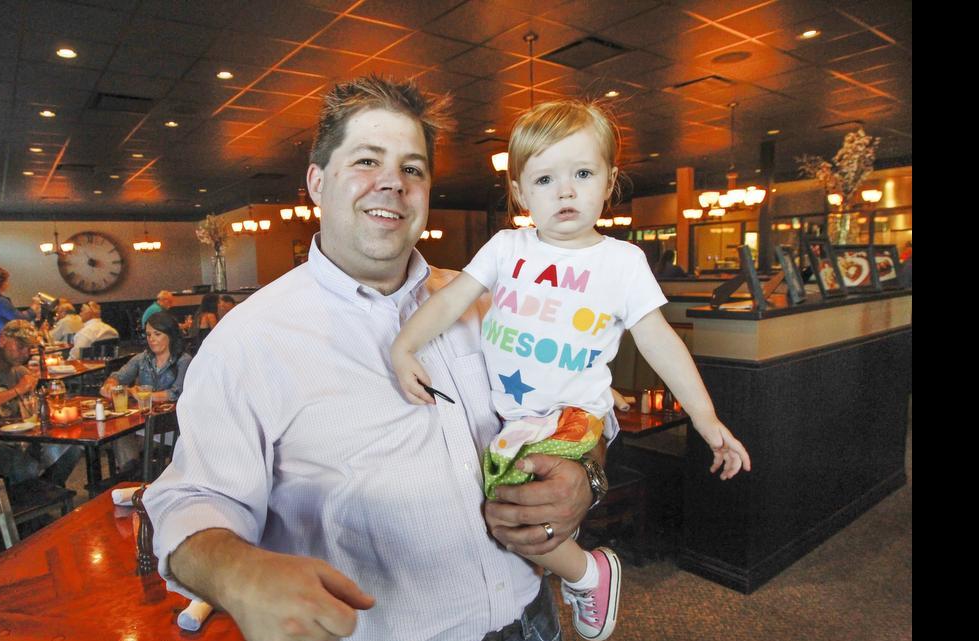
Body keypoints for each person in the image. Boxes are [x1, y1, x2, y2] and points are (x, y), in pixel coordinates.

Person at [144, 76, 603, 641]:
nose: (392, 183)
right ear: (317, 181)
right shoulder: (248, 341)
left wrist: (586, 475)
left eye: (412, 168)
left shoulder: (489, 302)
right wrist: (238, 574)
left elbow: (570, 414)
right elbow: (191, 498)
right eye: (366, 160)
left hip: (534, 618)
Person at [391, 99, 752, 640]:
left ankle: (587, 573)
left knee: (511, 512)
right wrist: (405, 347)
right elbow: (449, 301)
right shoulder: (505, 247)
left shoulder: (620, 262)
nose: (565, 191)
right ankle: (584, 571)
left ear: (608, 182)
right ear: (519, 193)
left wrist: (706, 417)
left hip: (571, 416)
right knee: (505, 513)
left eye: (582, 173)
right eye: (545, 179)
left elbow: (660, 340)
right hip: (515, 420)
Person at [0, 319, 82, 487]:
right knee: (23, 464)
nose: (25, 353)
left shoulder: (20, 372)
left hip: (17, 441)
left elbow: (35, 412)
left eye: (29, 348)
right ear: (3, 340)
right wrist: (16, 390)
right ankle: (29, 500)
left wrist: (44, 399)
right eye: (20, 347)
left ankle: (40, 495)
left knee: (71, 449)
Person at [100, 311, 192, 467]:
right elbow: (119, 376)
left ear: (170, 335)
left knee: (123, 440)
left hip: (170, 428)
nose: (151, 339)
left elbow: (177, 392)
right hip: (142, 424)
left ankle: (133, 475)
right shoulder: (142, 358)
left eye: (157, 334)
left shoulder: (184, 360)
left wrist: (145, 395)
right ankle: (133, 476)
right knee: (119, 435)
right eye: (148, 335)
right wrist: (109, 384)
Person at [0, 266, 41, 343]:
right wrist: (33, 308)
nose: (8, 283)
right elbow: (20, 319)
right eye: (6, 281)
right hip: (7, 342)